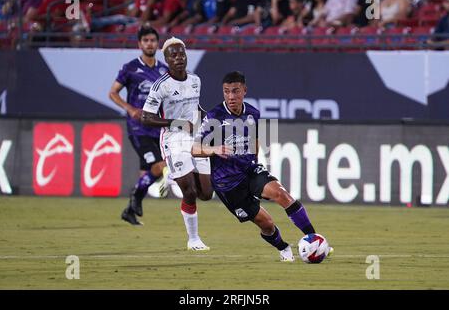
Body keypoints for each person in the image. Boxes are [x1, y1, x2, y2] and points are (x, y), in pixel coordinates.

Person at [191, 71, 333, 262]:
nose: (231, 96)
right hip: (228, 184)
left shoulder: (253, 113)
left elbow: (255, 140)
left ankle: (315, 240)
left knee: (283, 195)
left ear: (244, 91)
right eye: (226, 92)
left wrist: (255, 162)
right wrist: (214, 149)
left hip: (249, 171)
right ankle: (283, 247)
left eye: (236, 91)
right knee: (266, 224)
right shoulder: (214, 117)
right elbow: (194, 148)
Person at [141, 37, 213, 251]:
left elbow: (196, 107)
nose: (179, 58)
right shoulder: (160, 86)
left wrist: (209, 119)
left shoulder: (195, 80)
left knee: (206, 194)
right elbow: (146, 117)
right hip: (173, 138)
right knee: (189, 192)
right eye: (173, 55)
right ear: (166, 59)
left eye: (181, 54)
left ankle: (171, 175)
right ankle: (193, 239)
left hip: (195, 136)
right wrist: (176, 123)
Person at [109, 25, 170, 226]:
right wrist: (130, 109)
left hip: (157, 128)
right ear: (140, 44)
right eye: (146, 40)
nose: (150, 44)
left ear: (157, 43)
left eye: (153, 40)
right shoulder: (130, 68)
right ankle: (135, 199)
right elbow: (113, 93)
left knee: (147, 172)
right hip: (138, 127)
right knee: (158, 166)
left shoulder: (164, 71)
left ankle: (129, 211)